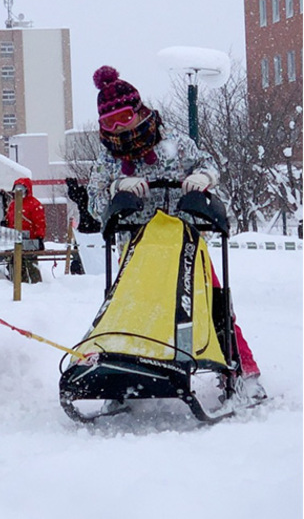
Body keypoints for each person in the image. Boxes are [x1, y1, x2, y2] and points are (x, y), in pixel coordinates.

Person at [86, 65, 265, 400]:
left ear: (138, 110)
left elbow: (208, 164)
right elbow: (96, 206)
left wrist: (204, 179)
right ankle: (127, 371)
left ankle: (242, 370)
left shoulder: (176, 145)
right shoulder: (107, 162)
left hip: (186, 244)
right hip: (137, 246)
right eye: (108, 123)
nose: (118, 127)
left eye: (123, 117)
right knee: (134, 309)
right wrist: (117, 187)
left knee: (213, 304)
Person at [3, 177, 46, 283]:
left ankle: (38, 286)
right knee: (16, 265)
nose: (19, 191)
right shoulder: (13, 204)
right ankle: (21, 284)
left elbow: (40, 223)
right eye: (16, 188)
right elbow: (10, 220)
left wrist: (39, 237)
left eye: (21, 188)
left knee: (31, 265)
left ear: (27, 189)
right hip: (15, 240)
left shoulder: (34, 204)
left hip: (30, 241)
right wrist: (5, 225)